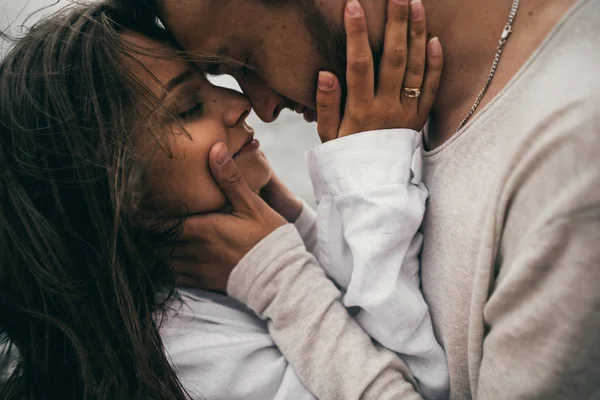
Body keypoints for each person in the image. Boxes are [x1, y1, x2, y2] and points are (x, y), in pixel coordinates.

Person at [145, 0, 600, 398]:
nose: (261, 107)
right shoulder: (381, 117)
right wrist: (303, 229)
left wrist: (281, 282)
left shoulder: (572, 159)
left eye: (244, 61)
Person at [0, 1, 445, 399]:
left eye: (213, 80)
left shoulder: (203, 293)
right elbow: (424, 384)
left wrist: (294, 226)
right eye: (188, 107)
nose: (238, 103)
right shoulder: (193, 362)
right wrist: (283, 276)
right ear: (114, 191)